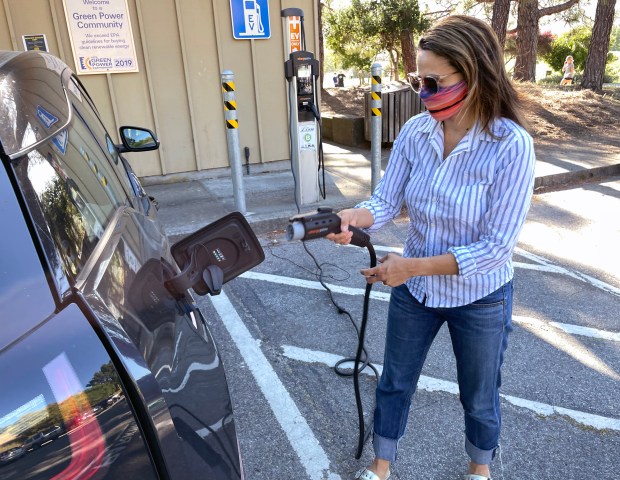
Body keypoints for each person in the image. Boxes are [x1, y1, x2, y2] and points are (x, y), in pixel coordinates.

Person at [326, 15, 535, 480]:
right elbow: (384, 202)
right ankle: (381, 467)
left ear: (475, 73)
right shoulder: (416, 133)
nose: (423, 92)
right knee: (395, 383)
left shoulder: (510, 145)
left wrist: (411, 267)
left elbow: (496, 248)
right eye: (417, 79)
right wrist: (352, 219)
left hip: (481, 296)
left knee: (479, 394)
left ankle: (479, 470)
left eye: (433, 81)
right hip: (415, 292)